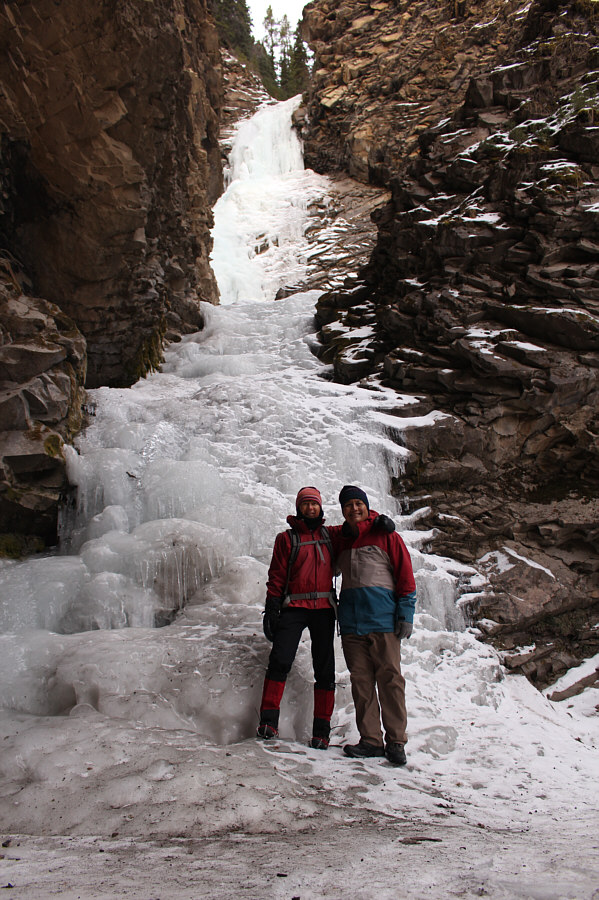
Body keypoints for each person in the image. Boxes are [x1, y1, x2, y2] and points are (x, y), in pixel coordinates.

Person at [331, 485, 417, 767]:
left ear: (366, 506)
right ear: (342, 511)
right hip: (352, 624)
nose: (354, 509)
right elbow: (318, 538)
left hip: (382, 620)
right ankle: (370, 740)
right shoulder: (342, 539)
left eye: (358, 503)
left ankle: (396, 741)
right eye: (348, 505)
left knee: (390, 679)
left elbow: (405, 574)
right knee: (362, 682)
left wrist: (406, 613)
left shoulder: (386, 534)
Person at [257, 486, 336, 750]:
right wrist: (272, 605)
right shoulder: (286, 539)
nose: (311, 508)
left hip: (324, 608)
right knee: (280, 660)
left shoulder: (331, 535)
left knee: (325, 670)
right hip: (295, 606)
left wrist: (378, 521)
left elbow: (357, 530)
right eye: (306, 504)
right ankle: (268, 721)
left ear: (320, 508)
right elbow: (277, 574)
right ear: (298, 508)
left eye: (314, 504)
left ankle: (321, 732)